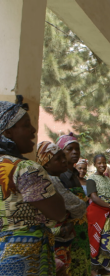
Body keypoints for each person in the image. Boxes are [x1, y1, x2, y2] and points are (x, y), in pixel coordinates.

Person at [0, 96, 66, 275]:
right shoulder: (25, 169)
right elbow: (58, 212)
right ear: (7, 133)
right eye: (26, 125)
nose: (34, 130)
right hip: (24, 256)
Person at [36, 141, 87, 275]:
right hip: (58, 237)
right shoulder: (53, 181)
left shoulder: (63, 177)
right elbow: (79, 207)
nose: (64, 161)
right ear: (46, 163)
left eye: (63, 157)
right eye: (58, 159)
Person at [57, 133, 93, 276]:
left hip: (81, 228)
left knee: (82, 260)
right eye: (69, 149)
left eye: (77, 149)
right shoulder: (60, 175)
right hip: (69, 227)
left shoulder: (75, 175)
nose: (75, 152)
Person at [86, 154, 110, 275]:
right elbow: (94, 197)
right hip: (97, 212)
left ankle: (102, 267)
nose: (102, 165)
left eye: (103, 162)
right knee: (97, 240)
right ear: (95, 164)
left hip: (108, 213)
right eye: (99, 163)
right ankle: (93, 269)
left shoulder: (108, 178)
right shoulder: (91, 179)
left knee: (108, 239)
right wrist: (109, 206)